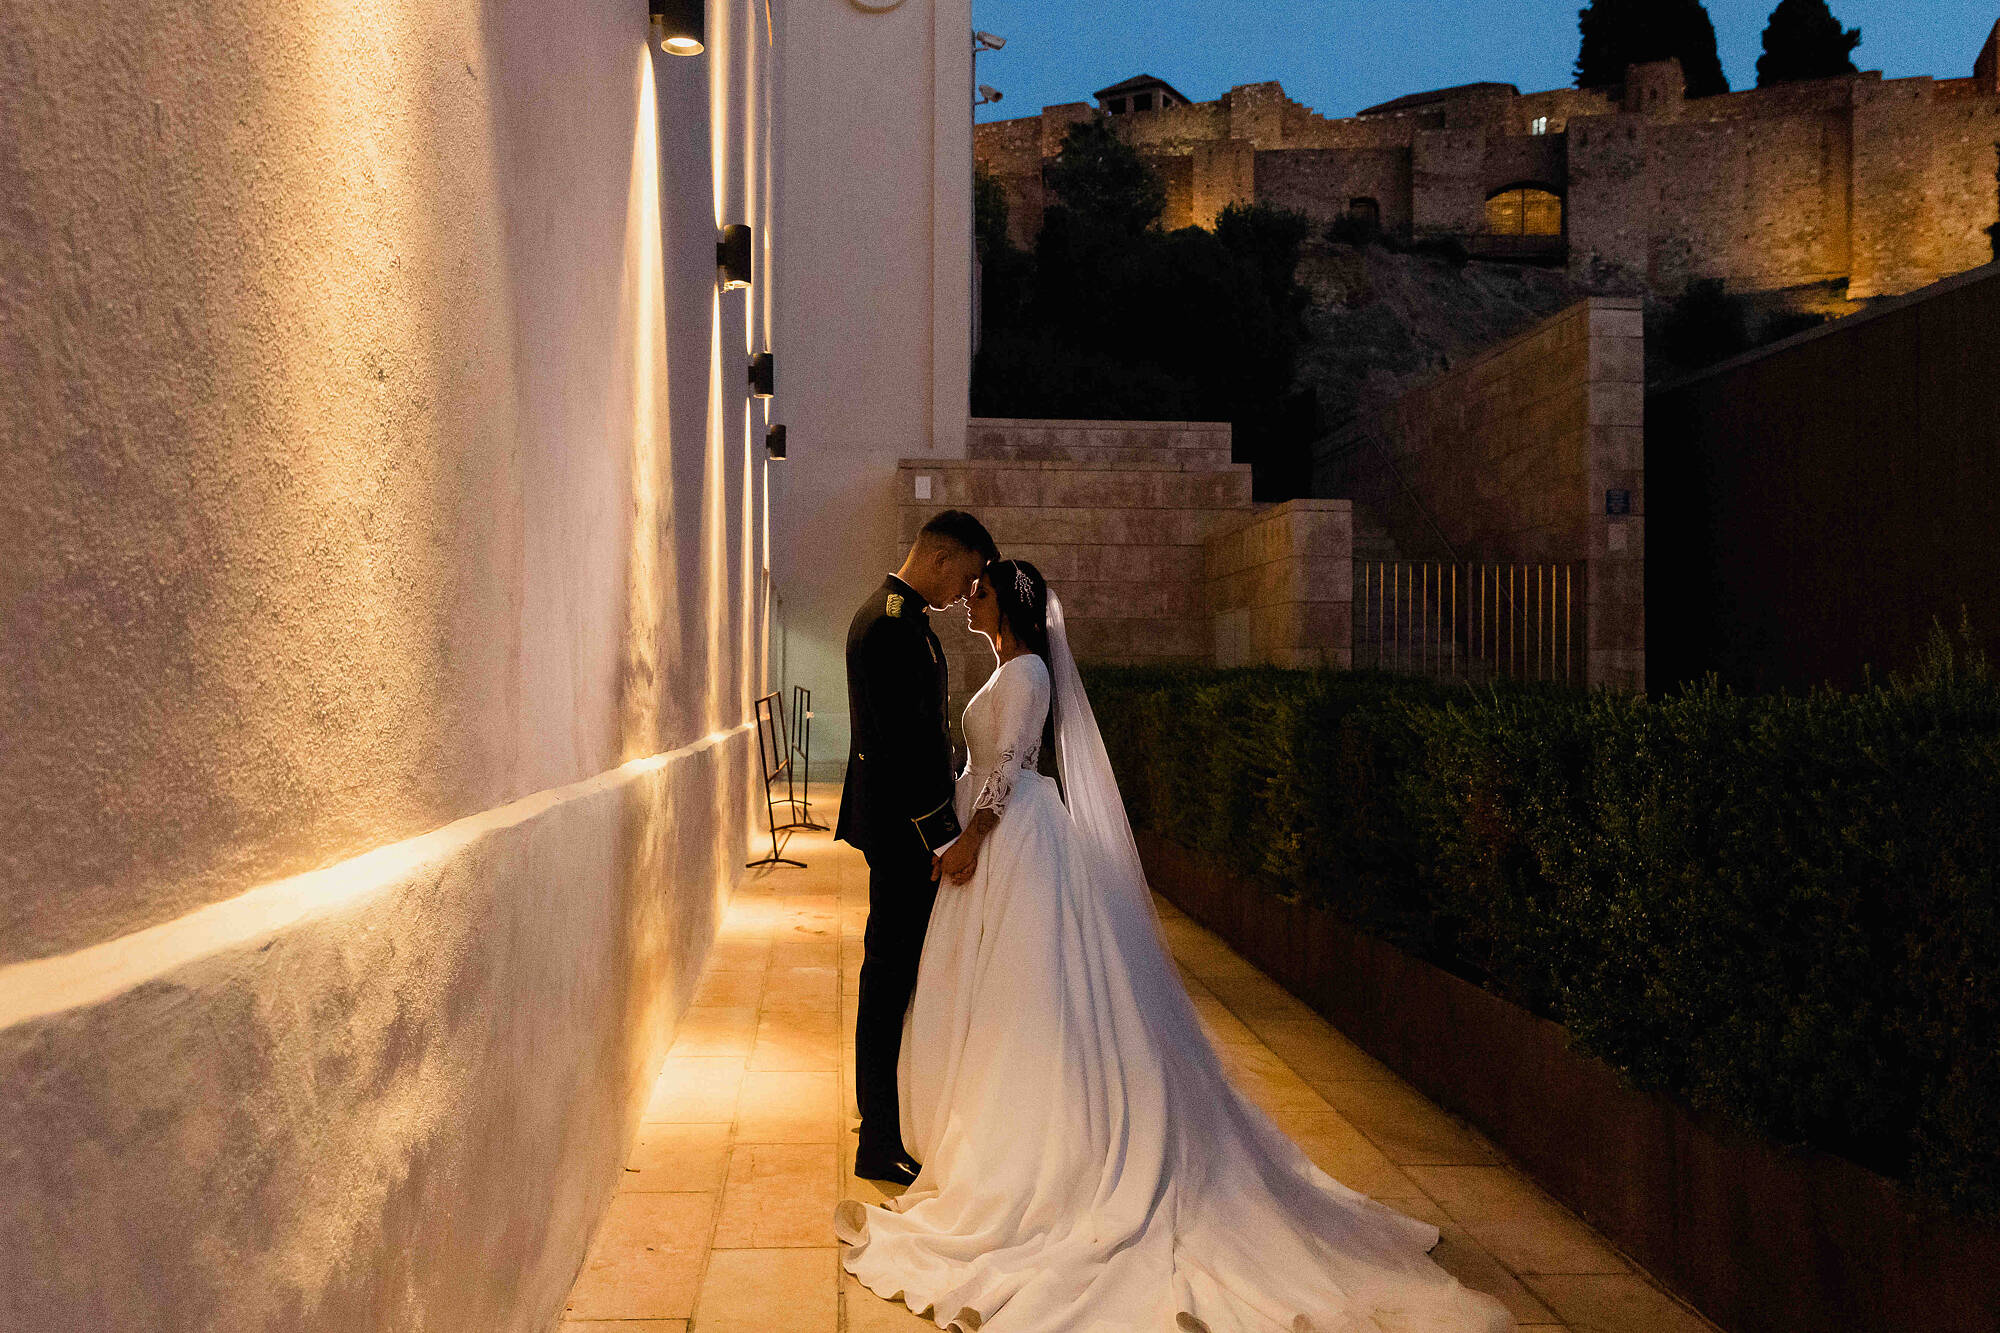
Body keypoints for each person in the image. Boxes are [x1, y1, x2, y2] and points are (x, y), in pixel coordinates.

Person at [835, 559, 1513, 1333]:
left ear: (1008, 606)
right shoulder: (1007, 667)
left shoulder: (1025, 676)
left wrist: (969, 842)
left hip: (1011, 843)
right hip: (991, 848)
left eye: (979, 589)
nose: (967, 598)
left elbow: (1009, 772)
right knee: (993, 995)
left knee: (1032, 999)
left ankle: (1031, 1153)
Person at [835, 509, 999, 1186]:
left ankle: (887, 1112)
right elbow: (903, 750)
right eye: (965, 575)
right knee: (889, 979)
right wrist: (946, 837)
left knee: (898, 976)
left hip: (906, 829)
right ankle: (878, 1137)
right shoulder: (888, 626)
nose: (966, 591)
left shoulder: (903, 620)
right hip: (907, 835)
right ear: (940, 557)